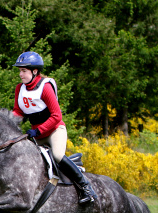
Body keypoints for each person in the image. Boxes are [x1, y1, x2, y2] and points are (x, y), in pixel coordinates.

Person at [12, 51, 96, 204]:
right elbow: (18, 112)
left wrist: (38, 131)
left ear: (35, 71)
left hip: (54, 130)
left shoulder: (45, 87)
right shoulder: (20, 89)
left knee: (57, 156)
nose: (20, 74)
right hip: (36, 134)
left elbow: (57, 116)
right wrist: (8, 122)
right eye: (20, 70)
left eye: (23, 70)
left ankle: (86, 188)